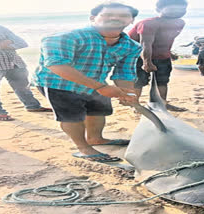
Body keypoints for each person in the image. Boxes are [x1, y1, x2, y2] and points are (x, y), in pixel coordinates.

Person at [32, 2, 141, 162]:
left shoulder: (131, 46)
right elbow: (57, 65)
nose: (115, 18)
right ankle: (83, 148)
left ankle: (96, 139)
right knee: (71, 115)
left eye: (123, 15)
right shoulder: (65, 37)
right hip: (58, 82)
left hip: (96, 80)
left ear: (131, 21)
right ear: (93, 18)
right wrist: (101, 87)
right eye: (108, 14)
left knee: (98, 109)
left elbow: (124, 72)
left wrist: (128, 93)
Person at [0, 6, 51, 121]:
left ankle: (33, 106)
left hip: (14, 63)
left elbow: (22, 43)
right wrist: (2, 45)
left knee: (23, 87)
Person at [128, 0, 188, 112]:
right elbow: (145, 44)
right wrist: (147, 62)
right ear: (158, 10)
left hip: (162, 56)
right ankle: (136, 105)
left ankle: (162, 104)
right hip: (137, 56)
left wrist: (169, 52)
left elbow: (166, 38)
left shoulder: (180, 22)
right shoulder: (148, 23)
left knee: (163, 81)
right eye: (173, 8)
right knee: (138, 81)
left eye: (182, 9)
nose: (178, 11)